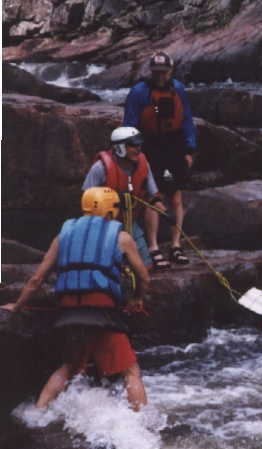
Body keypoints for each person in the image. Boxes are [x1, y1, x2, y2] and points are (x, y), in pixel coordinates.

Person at [1, 187, 151, 411]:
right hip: (102, 310)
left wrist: (18, 305)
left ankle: (39, 412)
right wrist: (137, 298)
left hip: (69, 310)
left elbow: (37, 279)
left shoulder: (64, 235)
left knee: (70, 366)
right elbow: (144, 276)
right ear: (110, 210)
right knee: (130, 370)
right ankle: (143, 422)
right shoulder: (122, 237)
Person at [123, 50, 197, 266]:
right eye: (156, 72)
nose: (160, 76)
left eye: (164, 72)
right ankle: (153, 246)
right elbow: (129, 123)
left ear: (170, 71)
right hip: (149, 146)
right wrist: (132, 152)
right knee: (153, 198)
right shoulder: (140, 92)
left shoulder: (178, 90)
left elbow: (187, 121)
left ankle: (176, 245)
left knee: (175, 197)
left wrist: (189, 150)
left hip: (173, 146)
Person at [82, 126, 169, 270]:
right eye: (133, 145)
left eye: (139, 145)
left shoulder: (143, 163)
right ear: (120, 147)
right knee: (111, 268)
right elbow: (86, 198)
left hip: (130, 223)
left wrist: (159, 204)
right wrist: (112, 200)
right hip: (105, 226)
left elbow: (153, 194)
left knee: (146, 266)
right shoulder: (100, 168)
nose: (138, 149)